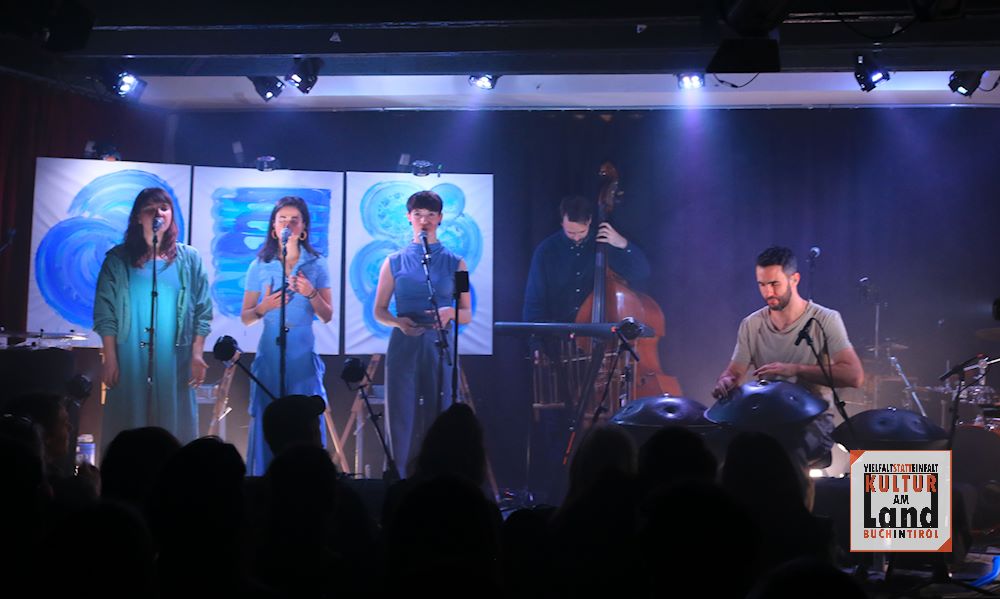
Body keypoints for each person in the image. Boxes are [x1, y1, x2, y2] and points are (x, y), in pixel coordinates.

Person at [712, 246, 864, 467]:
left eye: (774, 284)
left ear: (794, 279)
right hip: (764, 419)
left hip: (810, 421)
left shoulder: (825, 319)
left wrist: (795, 369)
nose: (768, 292)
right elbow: (734, 372)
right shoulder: (751, 324)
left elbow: (854, 376)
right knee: (714, 443)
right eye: (762, 285)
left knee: (781, 450)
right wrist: (725, 381)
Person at [94, 187, 212, 446]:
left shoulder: (190, 259)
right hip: (129, 354)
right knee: (129, 426)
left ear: (171, 215)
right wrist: (110, 357)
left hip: (175, 356)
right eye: (150, 209)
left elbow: (203, 310)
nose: (158, 213)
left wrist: (197, 354)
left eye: (164, 208)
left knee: (173, 427)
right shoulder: (118, 259)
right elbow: (105, 312)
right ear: (138, 217)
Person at [373, 190, 471, 477]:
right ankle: (398, 478)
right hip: (405, 342)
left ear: (440, 218)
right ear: (409, 218)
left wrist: (450, 312)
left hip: (439, 343)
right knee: (400, 413)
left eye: (430, 215)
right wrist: (398, 322)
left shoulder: (457, 263)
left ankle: (439, 476)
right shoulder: (393, 262)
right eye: (418, 215)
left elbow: (466, 312)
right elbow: (379, 310)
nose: (424, 221)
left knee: (440, 411)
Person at [241, 196, 333, 476]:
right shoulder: (260, 264)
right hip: (270, 354)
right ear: (273, 227)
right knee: (268, 418)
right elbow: (246, 317)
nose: (288, 225)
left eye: (295, 220)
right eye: (282, 219)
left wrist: (311, 293)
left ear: (303, 228)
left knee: (304, 420)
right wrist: (264, 307)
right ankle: (264, 482)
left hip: (302, 354)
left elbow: (327, 315)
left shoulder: (317, 264)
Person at [522, 194, 650, 324]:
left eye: (581, 232)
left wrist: (623, 244)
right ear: (562, 223)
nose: (576, 237)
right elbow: (534, 301)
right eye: (570, 232)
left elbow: (641, 272)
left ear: (589, 221)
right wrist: (537, 333)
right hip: (560, 331)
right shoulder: (546, 251)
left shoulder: (605, 243)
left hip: (602, 329)